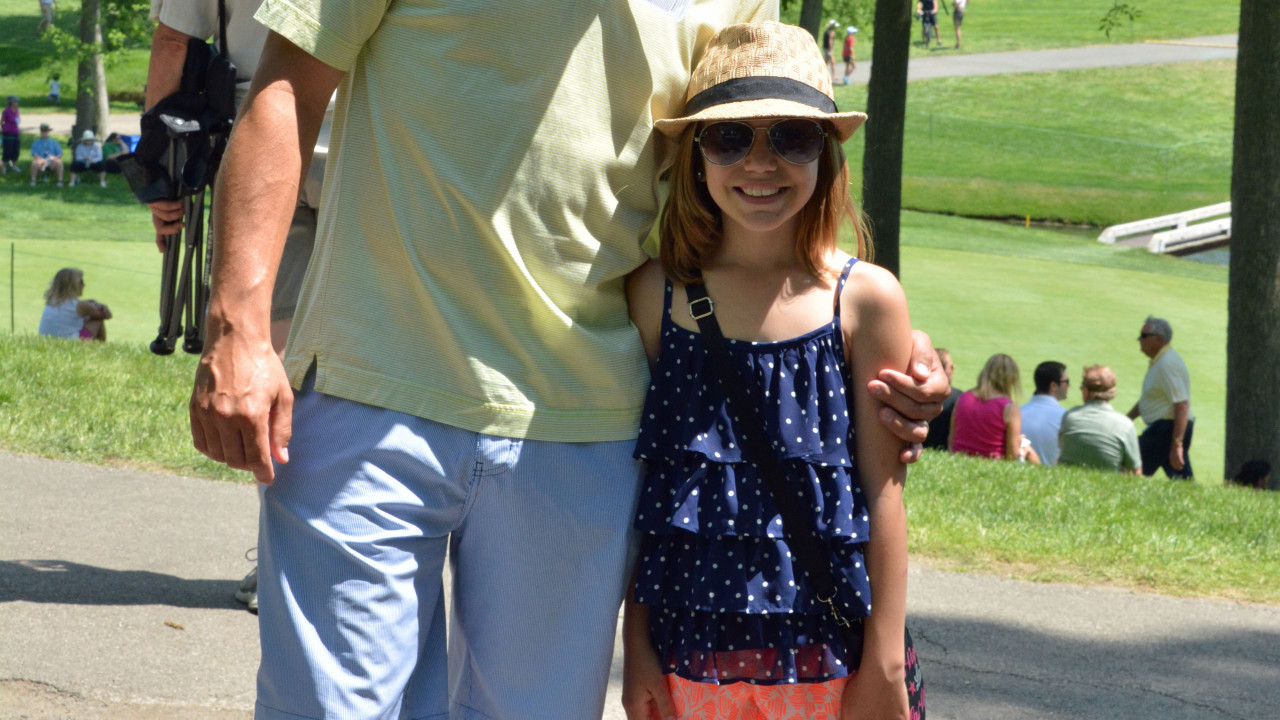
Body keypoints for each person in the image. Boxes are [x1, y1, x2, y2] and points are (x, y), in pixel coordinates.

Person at [188, 2, 951, 717]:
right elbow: (286, 90)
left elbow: (750, 146)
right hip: (371, 383)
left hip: (580, 428)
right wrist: (236, 326)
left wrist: (879, 344)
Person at [622, 23, 923, 720]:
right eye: (730, 138)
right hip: (688, 654)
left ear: (826, 152)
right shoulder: (655, 294)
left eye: (791, 137)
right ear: (696, 156)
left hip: (830, 656)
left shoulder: (865, 300)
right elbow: (651, 495)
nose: (760, 163)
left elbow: (884, 495)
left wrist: (883, 660)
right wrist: (636, 645)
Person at [1127, 316, 1194, 480]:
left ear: (1158, 339)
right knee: (1181, 479)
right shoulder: (1160, 362)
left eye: (1144, 336)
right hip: (1165, 429)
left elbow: (1182, 404)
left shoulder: (1167, 364)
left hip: (1166, 429)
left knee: (1129, 467)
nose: (1139, 339)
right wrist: (1127, 419)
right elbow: (1151, 398)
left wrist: (1177, 444)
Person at [950, 353, 1039, 462]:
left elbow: (952, 438)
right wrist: (1019, 442)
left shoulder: (963, 398)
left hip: (959, 459)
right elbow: (1012, 455)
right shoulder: (1009, 408)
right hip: (992, 462)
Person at [1057, 365, 1141, 474]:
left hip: (1069, 479)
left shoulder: (1069, 417)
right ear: (1113, 392)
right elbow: (1135, 471)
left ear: (1085, 391)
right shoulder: (1125, 425)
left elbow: (1061, 446)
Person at [38, 268, 112, 341]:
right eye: (81, 282)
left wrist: (91, 303)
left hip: (47, 340)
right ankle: (100, 347)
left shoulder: (52, 301)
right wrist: (103, 306)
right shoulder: (79, 306)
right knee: (97, 319)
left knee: (85, 318)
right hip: (70, 341)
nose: (84, 285)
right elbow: (107, 315)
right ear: (72, 285)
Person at [1021, 360, 1068, 465]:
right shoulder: (1065, 417)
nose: (1069, 386)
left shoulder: (1018, 414)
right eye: (1066, 382)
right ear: (1053, 386)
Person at [923, 347, 961, 450]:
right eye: (951, 367)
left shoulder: (916, 395)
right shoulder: (959, 398)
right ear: (940, 370)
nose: (953, 371)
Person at [2, 96, 18, 174]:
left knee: (15, 150)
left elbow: (17, 120)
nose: (17, 103)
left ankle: (14, 166)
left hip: (16, 132)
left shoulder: (17, 110)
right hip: (8, 133)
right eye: (15, 101)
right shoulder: (6, 111)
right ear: (11, 102)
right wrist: (4, 129)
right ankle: (3, 167)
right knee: (7, 150)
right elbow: (2, 121)